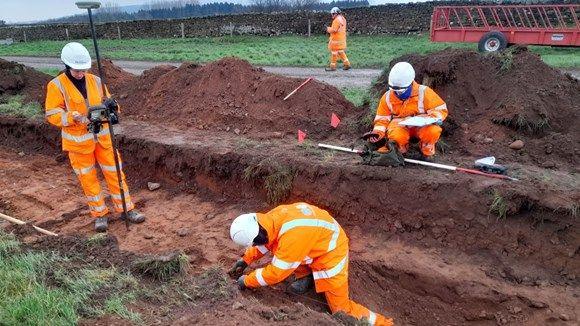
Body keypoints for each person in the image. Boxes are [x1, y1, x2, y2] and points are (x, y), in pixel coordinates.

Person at [229, 203, 393, 326]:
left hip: (331, 253)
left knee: (341, 311)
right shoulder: (269, 220)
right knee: (283, 250)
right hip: (314, 241)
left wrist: (247, 280)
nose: (256, 246)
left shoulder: (292, 238)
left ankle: (383, 323)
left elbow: (276, 273)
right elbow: (267, 242)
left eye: (255, 243)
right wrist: (246, 260)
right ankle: (305, 276)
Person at [44, 42, 145, 232]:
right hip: (79, 144)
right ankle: (100, 215)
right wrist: (70, 117)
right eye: (77, 70)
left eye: (83, 69)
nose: (81, 73)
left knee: (115, 174)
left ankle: (127, 209)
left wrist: (113, 107)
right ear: (67, 66)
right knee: (88, 180)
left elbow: (110, 106)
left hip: (104, 140)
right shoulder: (56, 85)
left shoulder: (96, 81)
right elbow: (52, 113)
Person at [367, 62, 448, 160]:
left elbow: (441, 109)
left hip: (422, 125)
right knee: (397, 135)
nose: (397, 93)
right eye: (394, 90)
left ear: (410, 83)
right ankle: (401, 153)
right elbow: (382, 120)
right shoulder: (387, 97)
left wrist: (432, 118)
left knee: (433, 131)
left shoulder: (424, 92)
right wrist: (378, 133)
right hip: (400, 126)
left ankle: (427, 153)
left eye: (401, 91)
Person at [326, 7, 350, 71]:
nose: (332, 15)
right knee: (341, 51)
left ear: (336, 13)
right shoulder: (343, 19)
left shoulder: (336, 20)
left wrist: (328, 29)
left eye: (333, 14)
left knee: (334, 53)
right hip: (342, 40)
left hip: (335, 40)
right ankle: (347, 64)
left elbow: (334, 30)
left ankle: (332, 67)